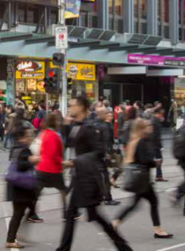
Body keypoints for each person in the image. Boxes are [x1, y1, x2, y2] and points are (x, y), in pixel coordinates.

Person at [55, 95, 132, 251]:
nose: (70, 108)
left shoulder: (89, 128)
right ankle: (122, 247)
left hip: (88, 178)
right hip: (80, 176)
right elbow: (69, 142)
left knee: (90, 216)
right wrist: (65, 125)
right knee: (78, 214)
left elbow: (98, 152)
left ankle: (123, 247)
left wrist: (74, 162)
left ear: (81, 107)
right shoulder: (76, 125)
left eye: (72, 105)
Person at [112, 119, 172, 239]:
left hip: (140, 179)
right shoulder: (142, 142)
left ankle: (116, 222)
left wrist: (114, 176)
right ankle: (157, 230)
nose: (151, 127)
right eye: (148, 126)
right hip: (142, 180)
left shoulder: (133, 141)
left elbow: (127, 161)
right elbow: (145, 160)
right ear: (142, 129)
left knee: (140, 203)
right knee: (150, 202)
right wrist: (155, 163)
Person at [28, 111, 66, 222]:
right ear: (54, 122)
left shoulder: (43, 133)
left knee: (36, 192)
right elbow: (54, 154)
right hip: (52, 169)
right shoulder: (53, 135)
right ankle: (66, 213)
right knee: (63, 191)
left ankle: (31, 214)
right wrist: (62, 163)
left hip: (41, 167)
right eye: (57, 121)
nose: (59, 122)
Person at [5, 125, 37, 249]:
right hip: (21, 187)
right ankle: (10, 239)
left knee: (23, 210)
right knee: (18, 213)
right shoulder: (24, 150)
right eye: (28, 136)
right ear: (21, 138)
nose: (30, 138)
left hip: (16, 186)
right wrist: (32, 161)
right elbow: (21, 166)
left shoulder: (15, 148)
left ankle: (15, 235)